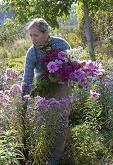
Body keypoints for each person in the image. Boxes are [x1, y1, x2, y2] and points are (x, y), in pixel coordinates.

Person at [22, 18, 72, 165]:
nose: (33, 39)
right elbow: (28, 77)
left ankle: (56, 157)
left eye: (36, 35)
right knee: (46, 121)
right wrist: (24, 99)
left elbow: (72, 65)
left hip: (62, 86)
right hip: (43, 88)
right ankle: (44, 152)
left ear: (46, 32)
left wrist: (61, 74)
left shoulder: (61, 44)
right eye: (31, 35)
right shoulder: (32, 52)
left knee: (61, 120)